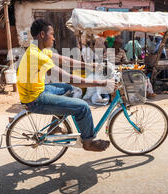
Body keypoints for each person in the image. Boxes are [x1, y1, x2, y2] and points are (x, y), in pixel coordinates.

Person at [16, 19, 116, 152]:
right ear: (42, 35)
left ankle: (54, 126)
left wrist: (89, 65)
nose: (54, 38)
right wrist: (103, 82)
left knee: (69, 89)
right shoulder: (37, 56)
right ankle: (88, 142)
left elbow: (65, 60)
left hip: (35, 91)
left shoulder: (37, 49)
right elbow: (69, 78)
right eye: (51, 34)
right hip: (35, 99)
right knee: (83, 107)